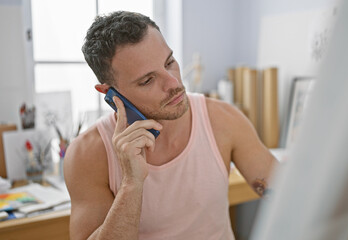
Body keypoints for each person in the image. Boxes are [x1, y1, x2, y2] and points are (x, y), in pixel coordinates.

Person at [64, 11, 278, 240]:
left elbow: (288, 194)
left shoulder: (223, 119)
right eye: (148, 80)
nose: (174, 83)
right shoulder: (86, 154)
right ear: (109, 92)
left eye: (170, 62)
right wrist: (131, 185)